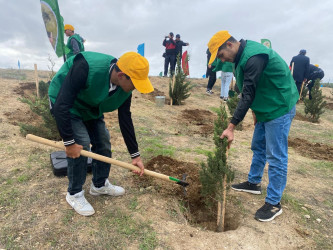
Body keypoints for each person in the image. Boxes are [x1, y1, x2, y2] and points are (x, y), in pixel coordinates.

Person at [208, 30, 299, 222]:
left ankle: (274, 203)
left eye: (222, 55)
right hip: (265, 107)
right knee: (258, 146)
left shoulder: (254, 57)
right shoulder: (239, 58)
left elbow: (248, 94)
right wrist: (256, 112)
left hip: (279, 106)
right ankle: (254, 182)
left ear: (230, 45)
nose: (222, 60)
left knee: (275, 156)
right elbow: (249, 87)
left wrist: (231, 127)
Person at [48, 51, 154, 216]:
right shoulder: (86, 67)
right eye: (135, 83)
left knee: (103, 140)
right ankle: (74, 193)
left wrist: (135, 155)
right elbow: (62, 103)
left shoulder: (125, 89)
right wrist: (69, 142)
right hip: (66, 103)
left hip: (90, 106)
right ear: (121, 75)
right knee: (80, 143)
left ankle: (99, 185)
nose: (136, 88)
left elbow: (125, 118)